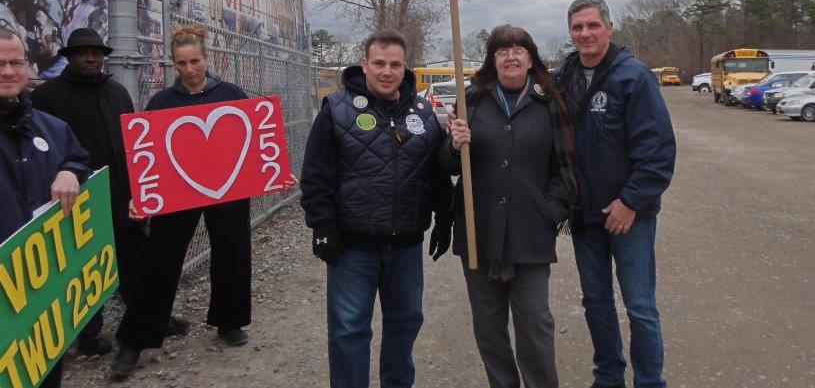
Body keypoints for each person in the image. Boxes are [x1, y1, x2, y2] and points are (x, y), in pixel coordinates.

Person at [110, 24, 294, 381]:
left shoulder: (231, 93)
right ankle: (134, 340)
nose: (189, 69)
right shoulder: (162, 101)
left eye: (195, 61)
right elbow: (147, 153)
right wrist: (141, 195)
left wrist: (275, 172)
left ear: (207, 59)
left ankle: (229, 321)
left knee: (232, 251)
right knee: (159, 262)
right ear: (173, 64)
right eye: (181, 63)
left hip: (229, 188)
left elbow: (257, 139)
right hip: (178, 192)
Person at [300, 28, 453, 388]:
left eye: (395, 64)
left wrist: (445, 217)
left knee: (405, 322)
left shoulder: (423, 112)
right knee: (349, 329)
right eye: (379, 63)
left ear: (405, 67)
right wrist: (322, 225)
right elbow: (316, 174)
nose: (387, 71)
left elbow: (435, 173)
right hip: (353, 247)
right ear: (364, 64)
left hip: (406, 245)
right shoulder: (336, 109)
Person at [442, 25, 575, 388]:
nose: (511, 57)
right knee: (488, 328)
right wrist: (454, 145)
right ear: (493, 60)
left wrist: (550, 212)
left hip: (530, 234)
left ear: (531, 59)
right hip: (479, 230)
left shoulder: (550, 102)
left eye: (518, 50)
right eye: (502, 51)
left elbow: (565, 168)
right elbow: (449, 166)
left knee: (535, 325)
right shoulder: (471, 100)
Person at [554, 0, 676, 388]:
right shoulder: (562, 78)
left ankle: (649, 381)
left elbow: (657, 151)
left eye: (593, 25)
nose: (585, 33)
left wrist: (631, 202)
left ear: (609, 28)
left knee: (639, 306)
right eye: (577, 27)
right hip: (584, 214)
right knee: (596, 302)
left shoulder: (634, 76)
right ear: (570, 33)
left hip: (629, 216)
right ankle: (608, 376)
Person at [32, 27, 166, 356]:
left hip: (122, 194)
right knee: (85, 269)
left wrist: (140, 188)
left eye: (96, 53)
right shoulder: (48, 97)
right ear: (70, 57)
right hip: (78, 197)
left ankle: (147, 320)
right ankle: (89, 336)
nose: (90, 58)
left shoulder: (117, 91)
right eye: (82, 53)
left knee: (136, 263)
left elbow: (134, 143)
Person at [0, 27, 91, 388]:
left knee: (46, 368)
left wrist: (70, 171)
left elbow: (79, 158)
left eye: (16, 62)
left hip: (42, 282)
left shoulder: (52, 129)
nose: (8, 72)